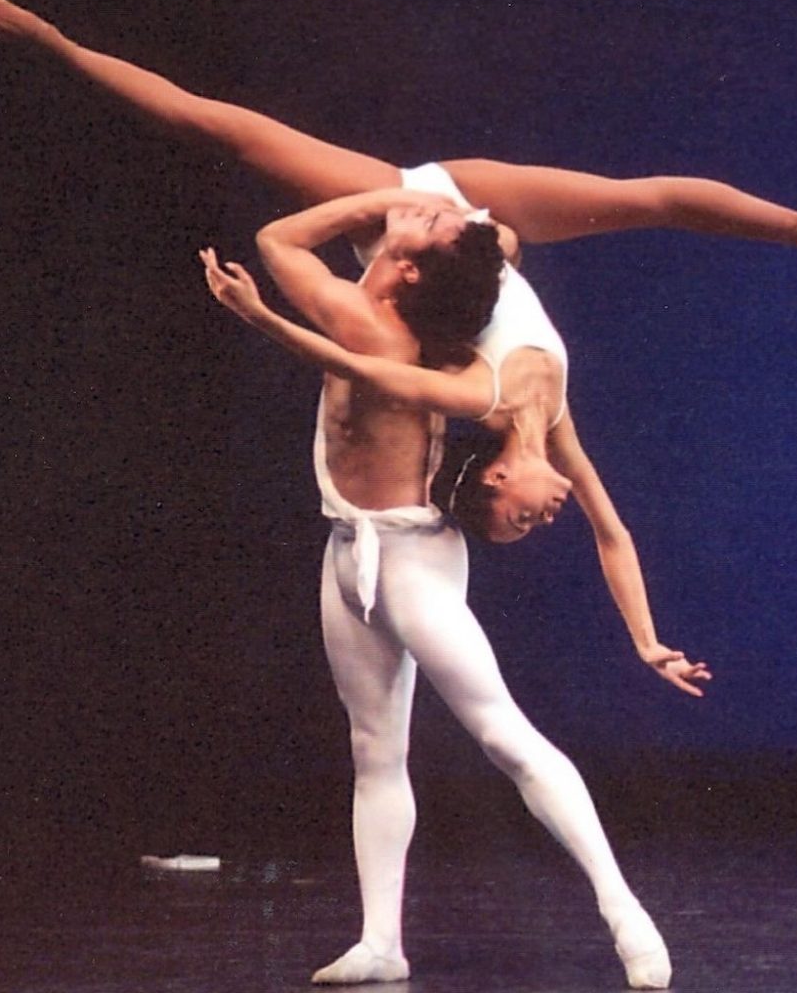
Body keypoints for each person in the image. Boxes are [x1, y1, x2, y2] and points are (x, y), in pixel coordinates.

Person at [200, 187, 708, 989]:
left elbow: (286, 251)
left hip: (411, 561)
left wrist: (265, 308)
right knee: (374, 750)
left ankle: (626, 914)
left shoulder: (425, 354)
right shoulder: (464, 357)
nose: (549, 511)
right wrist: (406, 211)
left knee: (503, 735)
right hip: (350, 551)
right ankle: (381, 940)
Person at [0, 0, 797, 265]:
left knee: (222, 128)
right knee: (651, 200)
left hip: (410, 213)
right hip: (415, 223)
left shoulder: (407, 223)